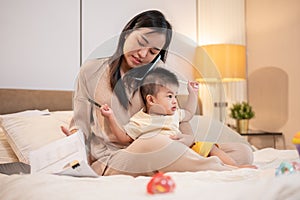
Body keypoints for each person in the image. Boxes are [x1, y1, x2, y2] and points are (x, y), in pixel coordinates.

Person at [61, 10, 254, 176]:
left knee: (243, 151)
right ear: (127, 33)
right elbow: (79, 125)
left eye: (153, 51)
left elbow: (180, 120)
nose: (142, 54)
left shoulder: (160, 76)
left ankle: (174, 164)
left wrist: (186, 139)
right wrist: (73, 142)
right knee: (153, 143)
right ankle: (227, 171)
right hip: (114, 158)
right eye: (140, 42)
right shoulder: (91, 71)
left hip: (160, 148)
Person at [100, 67, 256, 169]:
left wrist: (192, 93)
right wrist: (110, 117)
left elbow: (189, 113)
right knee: (165, 148)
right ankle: (226, 169)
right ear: (151, 100)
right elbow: (124, 138)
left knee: (213, 148)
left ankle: (234, 166)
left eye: (175, 95)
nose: (175, 100)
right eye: (169, 96)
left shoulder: (174, 113)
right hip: (164, 153)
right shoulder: (142, 119)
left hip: (186, 149)